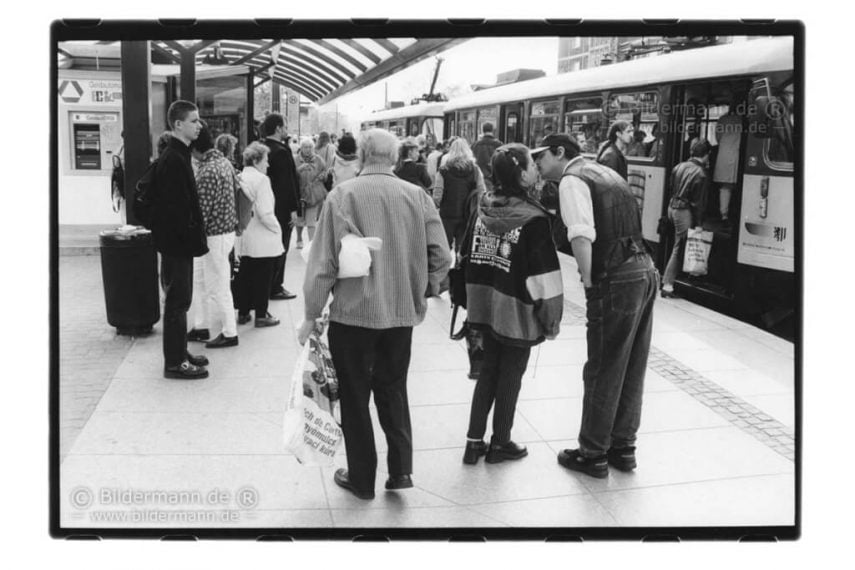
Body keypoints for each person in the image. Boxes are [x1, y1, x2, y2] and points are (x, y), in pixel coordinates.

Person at [298, 128, 451, 500]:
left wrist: (310, 314)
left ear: (362, 157)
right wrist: (426, 286)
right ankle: (400, 472)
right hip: (400, 317)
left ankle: (362, 479)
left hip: (353, 317)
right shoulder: (417, 196)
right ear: (395, 158)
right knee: (393, 389)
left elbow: (323, 265)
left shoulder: (342, 196)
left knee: (354, 396)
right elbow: (443, 256)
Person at [534, 133, 658, 479]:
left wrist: (588, 280)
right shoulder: (605, 171)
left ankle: (592, 453)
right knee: (632, 364)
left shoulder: (573, 180)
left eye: (541, 157)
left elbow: (580, 234)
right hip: (643, 270)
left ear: (560, 153)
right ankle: (623, 447)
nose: (538, 165)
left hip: (615, 276)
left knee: (603, 365)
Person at [462, 144, 563, 465]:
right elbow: (544, 278)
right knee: (510, 377)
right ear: (521, 174)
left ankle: (473, 443)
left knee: (488, 371)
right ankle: (501, 442)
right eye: (533, 164)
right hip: (517, 311)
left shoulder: (483, 207)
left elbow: (466, 256)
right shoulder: (534, 220)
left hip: (483, 306)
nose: (537, 169)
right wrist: (550, 321)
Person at [150, 100, 209, 380]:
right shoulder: (174, 159)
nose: (199, 125)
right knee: (177, 302)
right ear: (178, 125)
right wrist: (190, 238)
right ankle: (174, 363)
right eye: (194, 121)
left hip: (176, 245)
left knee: (181, 300)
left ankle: (180, 352)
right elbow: (175, 210)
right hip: (176, 246)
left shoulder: (178, 155)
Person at [185, 122, 240, 349]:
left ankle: (230, 332)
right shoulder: (225, 163)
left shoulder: (207, 171)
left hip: (213, 236)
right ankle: (201, 325)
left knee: (218, 285)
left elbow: (201, 212)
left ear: (196, 149)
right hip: (224, 233)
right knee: (201, 281)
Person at [234, 142, 285, 327]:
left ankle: (244, 312)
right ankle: (262, 315)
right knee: (263, 278)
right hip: (263, 237)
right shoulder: (262, 180)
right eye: (265, 160)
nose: (268, 164)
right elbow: (265, 212)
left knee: (246, 275)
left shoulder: (239, 176)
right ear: (256, 160)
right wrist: (276, 227)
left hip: (245, 237)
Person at [661, 139, 711, 298]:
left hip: (672, 207)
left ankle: (673, 278)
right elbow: (698, 204)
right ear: (706, 155)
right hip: (684, 210)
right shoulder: (701, 173)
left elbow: (670, 187)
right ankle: (667, 285)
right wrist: (699, 225)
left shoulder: (679, 166)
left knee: (676, 243)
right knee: (679, 247)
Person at [261, 113, 301, 301]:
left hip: (265, 206)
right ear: (278, 128)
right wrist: (294, 210)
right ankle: (276, 286)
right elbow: (288, 183)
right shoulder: (282, 151)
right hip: (282, 208)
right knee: (282, 246)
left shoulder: (261, 148)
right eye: (284, 126)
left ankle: (267, 284)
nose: (286, 129)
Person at [432, 137, 486, 254]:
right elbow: (482, 191)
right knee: (463, 247)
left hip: (447, 215)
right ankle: (459, 267)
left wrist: (438, 206)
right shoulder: (475, 170)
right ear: (468, 150)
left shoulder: (443, 170)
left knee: (444, 248)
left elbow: (437, 195)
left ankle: (445, 270)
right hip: (468, 214)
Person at [294, 137, 327, 245]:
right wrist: (299, 170)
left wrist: (322, 176)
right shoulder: (295, 160)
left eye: (310, 147)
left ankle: (311, 245)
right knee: (300, 220)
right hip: (299, 194)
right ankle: (299, 238)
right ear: (301, 148)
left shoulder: (318, 159)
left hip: (313, 195)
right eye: (305, 147)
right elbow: (291, 176)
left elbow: (325, 171)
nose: (307, 149)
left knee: (311, 221)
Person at [713, 103, 743, 221]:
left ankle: (724, 215)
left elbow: (718, 137)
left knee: (725, 188)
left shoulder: (722, 119)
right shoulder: (743, 120)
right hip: (738, 155)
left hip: (724, 155)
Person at [470, 122, 503, 191]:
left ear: (483, 130)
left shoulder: (475, 145)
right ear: (492, 130)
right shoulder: (499, 145)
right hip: (493, 180)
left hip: (478, 179)